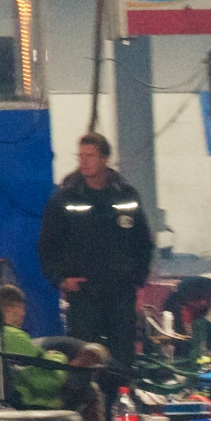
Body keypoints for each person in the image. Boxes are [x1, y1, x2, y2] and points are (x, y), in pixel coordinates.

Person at [37, 132, 153, 369]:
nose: (84, 161)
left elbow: (143, 241)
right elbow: (47, 246)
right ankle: (87, 393)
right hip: (84, 295)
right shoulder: (64, 199)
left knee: (122, 358)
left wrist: (137, 277)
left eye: (90, 156)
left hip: (121, 293)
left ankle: (121, 392)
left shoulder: (126, 196)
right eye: (80, 156)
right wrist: (61, 279)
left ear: (105, 159)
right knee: (85, 357)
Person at [0, 284, 67, 410]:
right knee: (87, 392)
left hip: (1, 400)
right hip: (27, 403)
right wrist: (60, 358)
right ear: (10, 309)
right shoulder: (14, 336)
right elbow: (48, 384)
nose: (24, 313)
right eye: (22, 308)